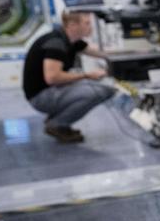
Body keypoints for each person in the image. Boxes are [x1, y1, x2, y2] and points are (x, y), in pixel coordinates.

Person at [22, 9, 115, 142]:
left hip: (50, 91)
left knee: (99, 86)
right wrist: (87, 75)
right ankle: (57, 124)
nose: (91, 27)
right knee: (101, 90)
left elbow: (100, 53)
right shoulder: (56, 44)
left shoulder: (72, 41)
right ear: (72, 25)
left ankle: (57, 119)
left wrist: (134, 53)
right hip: (40, 97)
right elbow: (52, 78)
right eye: (87, 23)